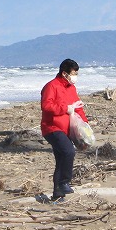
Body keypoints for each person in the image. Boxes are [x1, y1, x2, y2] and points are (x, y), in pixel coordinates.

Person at [41, 58, 87, 201]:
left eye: (77, 73)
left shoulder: (71, 88)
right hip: (52, 127)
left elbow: (77, 107)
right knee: (68, 151)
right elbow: (46, 106)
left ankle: (57, 194)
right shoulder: (51, 86)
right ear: (64, 73)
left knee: (61, 159)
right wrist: (65, 109)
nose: (75, 77)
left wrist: (85, 125)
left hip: (67, 128)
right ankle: (64, 182)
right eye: (74, 73)